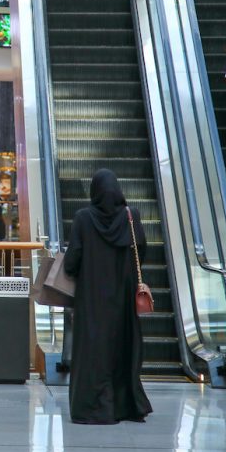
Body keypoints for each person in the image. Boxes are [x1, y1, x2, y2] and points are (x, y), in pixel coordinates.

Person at [63, 169, 152, 424]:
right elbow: (141, 251)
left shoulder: (83, 218)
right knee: (122, 347)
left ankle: (93, 407)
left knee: (92, 351)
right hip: (123, 299)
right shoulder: (130, 216)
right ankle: (125, 405)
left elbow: (72, 261)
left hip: (91, 299)